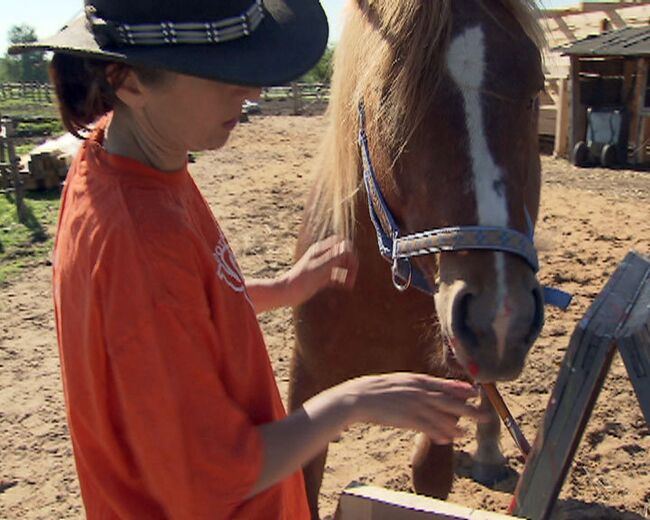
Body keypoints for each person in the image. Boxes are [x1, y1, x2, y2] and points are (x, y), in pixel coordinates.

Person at [11, 1, 488, 518]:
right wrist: (352, 401)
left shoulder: (120, 158)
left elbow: (185, 310)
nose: (254, 91)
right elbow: (210, 480)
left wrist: (282, 288)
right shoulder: (142, 242)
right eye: (225, 73)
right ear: (127, 81)